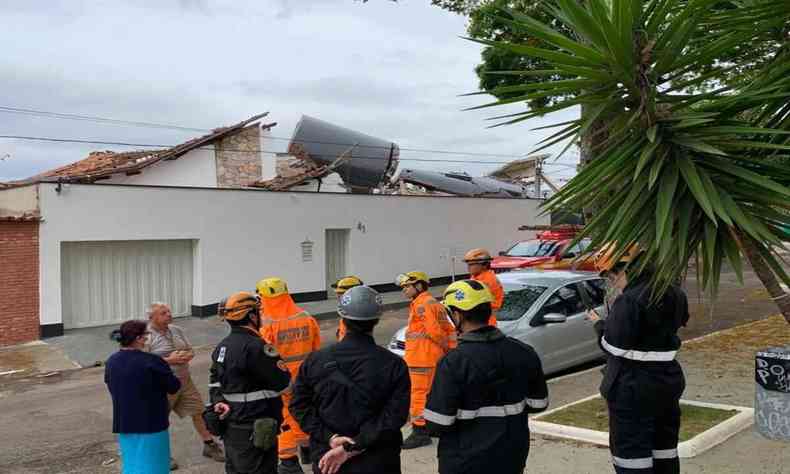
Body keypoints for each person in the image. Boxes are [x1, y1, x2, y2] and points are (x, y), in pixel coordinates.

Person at [426, 280, 549, 474]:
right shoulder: (524, 351)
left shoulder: (453, 362)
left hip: (465, 461)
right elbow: (539, 404)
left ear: (456, 315)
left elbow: (437, 423)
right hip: (512, 456)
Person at [289, 285, 410, 474]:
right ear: (377, 320)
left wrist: (331, 438)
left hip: (328, 461)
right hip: (379, 461)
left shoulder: (315, 360)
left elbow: (298, 406)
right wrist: (354, 446)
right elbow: (395, 417)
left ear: (342, 319)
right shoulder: (394, 364)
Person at [590, 252, 689, 474]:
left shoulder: (629, 299)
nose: (614, 283)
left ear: (624, 270)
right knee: (665, 448)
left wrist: (600, 325)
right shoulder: (674, 292)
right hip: (668, 380)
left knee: (631, 456)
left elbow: (613, 346)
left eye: (612, 277)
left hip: (633, 386)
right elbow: (680, 321)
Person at [210, 291, 292, 474]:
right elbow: (283, 382)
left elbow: (214, 381)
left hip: (232, 427)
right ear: (252, 316)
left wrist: (218, 401)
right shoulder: (257, 347)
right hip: (257, 427)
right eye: (258, 312)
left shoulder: (222, 346)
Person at [144, 302, 224, 468]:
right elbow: (142, 362)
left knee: (199, 412)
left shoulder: (176, 330)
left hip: (184, 381)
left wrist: (187, 355)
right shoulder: (145, 336)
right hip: (161, 386)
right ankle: (161, 455)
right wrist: (168, 360)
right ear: (151, 318)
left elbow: (190, 349)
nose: (169, 315)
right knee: (159, 421)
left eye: (168, 311)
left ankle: (209, 445)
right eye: (163, 313)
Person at [256, 278, 322, 474]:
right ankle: (309, 450)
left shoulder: (267, 324)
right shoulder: (306, 317)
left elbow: (264, 357)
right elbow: (316, 349)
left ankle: (288, 461)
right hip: (307, 378)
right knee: (305, 414)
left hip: (282, 381)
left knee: (284, 420)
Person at [106, 320, 182, 474]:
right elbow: (174, 387)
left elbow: (111, 385)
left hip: (125, 422)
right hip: (152, 422)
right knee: (154, 466)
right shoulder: (152, 361)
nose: (148, 337)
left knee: (131, 465)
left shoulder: (111, 361)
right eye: (146, 334)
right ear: (139, 338)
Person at [396, 271, 455, 450]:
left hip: (422, 357)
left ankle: (420, 432)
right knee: (430, 394)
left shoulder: (422, 304)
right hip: (429, 356)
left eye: (407, 286)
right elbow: (448, 329)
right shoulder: (432, 302)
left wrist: (444, 347)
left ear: (419, 286)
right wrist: (448, 350)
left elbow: (435, 331)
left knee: (418, 394)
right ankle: (430, 427)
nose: (404, 290)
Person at [463, 248, 503, 327]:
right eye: (468, 264)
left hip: (484, 323)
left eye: (471, 264)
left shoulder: (486, 281)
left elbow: (470, 301)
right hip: (482, 320)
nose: (468, 267)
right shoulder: (479, 277)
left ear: (484, 265)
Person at [331, 276, 364, 341]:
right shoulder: (346, 313)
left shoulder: (356, 316)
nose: (338, 297)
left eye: (341, 294)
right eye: (338, 294)